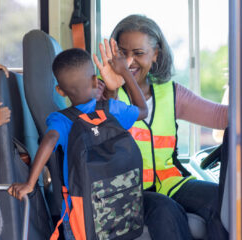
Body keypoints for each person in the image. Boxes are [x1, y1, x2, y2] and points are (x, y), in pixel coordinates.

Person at [94, 14, 228, 240]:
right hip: (125, 191)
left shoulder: (171, 92)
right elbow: (94, 125)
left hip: (171, 183)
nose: (128, 62)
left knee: (223, 202)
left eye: (138, 54)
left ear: (156, 55)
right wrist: (110, 91)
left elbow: (221, 116)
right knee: (166, 210)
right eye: (122, 54)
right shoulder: (101, 89)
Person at [8, 46, 148, 239]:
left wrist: (30, 183)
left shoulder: (61, 120)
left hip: (79, 214)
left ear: (60, 91)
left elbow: (49, 140)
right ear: (94, 80)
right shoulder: (113, 109)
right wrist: (124, 71)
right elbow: (143, 110)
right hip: (121, 208)